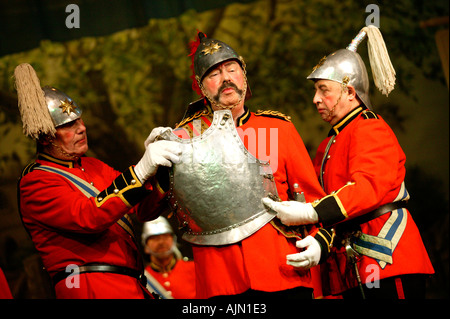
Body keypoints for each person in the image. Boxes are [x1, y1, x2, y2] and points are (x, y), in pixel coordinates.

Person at [263, 26, 434, 299]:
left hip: (388, 258)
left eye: (323, 90)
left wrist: (311, 212)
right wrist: (321, 240)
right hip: (353, 265)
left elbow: (367, 188)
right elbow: (331, 203)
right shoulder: (328, 143)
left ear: (350, 93)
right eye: (315, 90)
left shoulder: (369, 127)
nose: (315, 99)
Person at [160, 32, 333, 299]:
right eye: (214, 74)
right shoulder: (183, 138)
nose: (226, 77)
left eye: (232, 69)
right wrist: (153, 168)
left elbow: (311, 197)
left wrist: (320, 241)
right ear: (200, 86)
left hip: (283, 273)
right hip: (221, 281)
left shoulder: (279, 129)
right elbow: (151, 208)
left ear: (244, 75)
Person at [14, 63, 182, 299]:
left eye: (80, 120)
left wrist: (157, 171)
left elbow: (142, 210)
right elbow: (89, 217)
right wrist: (141, 169)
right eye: (69, 125)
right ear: (44, 136)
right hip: (90, 286)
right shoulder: (36, 182)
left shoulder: (92, 165)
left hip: (131, 283)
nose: (82, 128)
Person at [141, 216, 196, 299]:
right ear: (146, 247)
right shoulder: (141, 279)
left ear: (174, 240)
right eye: (154, 238)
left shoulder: (194, 268)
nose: (161, 242)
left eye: (165, 236)